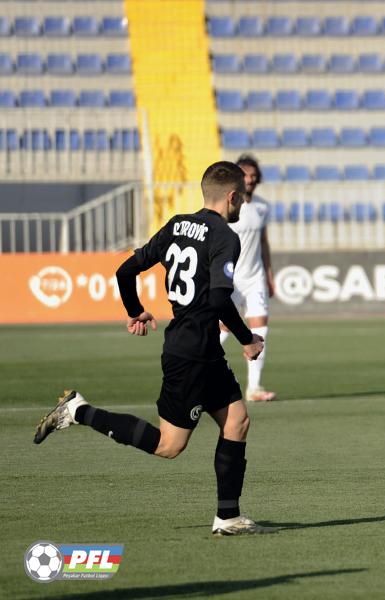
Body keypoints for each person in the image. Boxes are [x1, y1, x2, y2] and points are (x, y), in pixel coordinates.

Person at [33, 161, 277, 535]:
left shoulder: (177, 224)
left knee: (237, 421)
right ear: (231, 196)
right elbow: (218, 300)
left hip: (202, 349)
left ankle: (228, 517)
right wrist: (248, 339)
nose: (242, 206)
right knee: (169, 445)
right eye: (241, 199)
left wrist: (135, 311)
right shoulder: (226, 237)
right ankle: (78, 411)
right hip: (191, 353)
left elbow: (124, 271)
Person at [219, 154, 277, 402]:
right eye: (245, 175)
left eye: (253, 176)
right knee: (222, 331)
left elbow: (263, 242)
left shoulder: (263, 207)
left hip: (255, 279)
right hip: (230, 279)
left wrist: (269, 275)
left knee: (260, 329)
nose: (250, 179)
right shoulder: (230, 207)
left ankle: (254, 388)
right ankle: (196, 374)